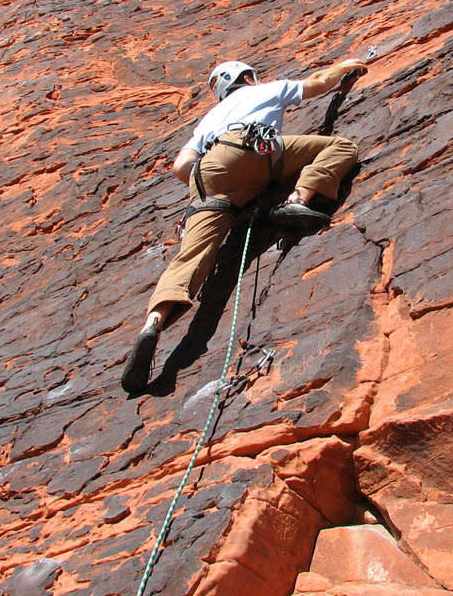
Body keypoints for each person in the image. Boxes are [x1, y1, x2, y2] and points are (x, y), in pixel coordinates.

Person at [121, 57, 368, 394]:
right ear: (248, 77)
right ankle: (298, 200)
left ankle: (153, 323)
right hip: (253, 150)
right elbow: (318, 84)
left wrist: (220, 183)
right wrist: (346, 67)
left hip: (206, 176)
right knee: (341, 147)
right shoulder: (265, 90)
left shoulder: (209, 119)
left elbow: (181, 166)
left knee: (191, 257)